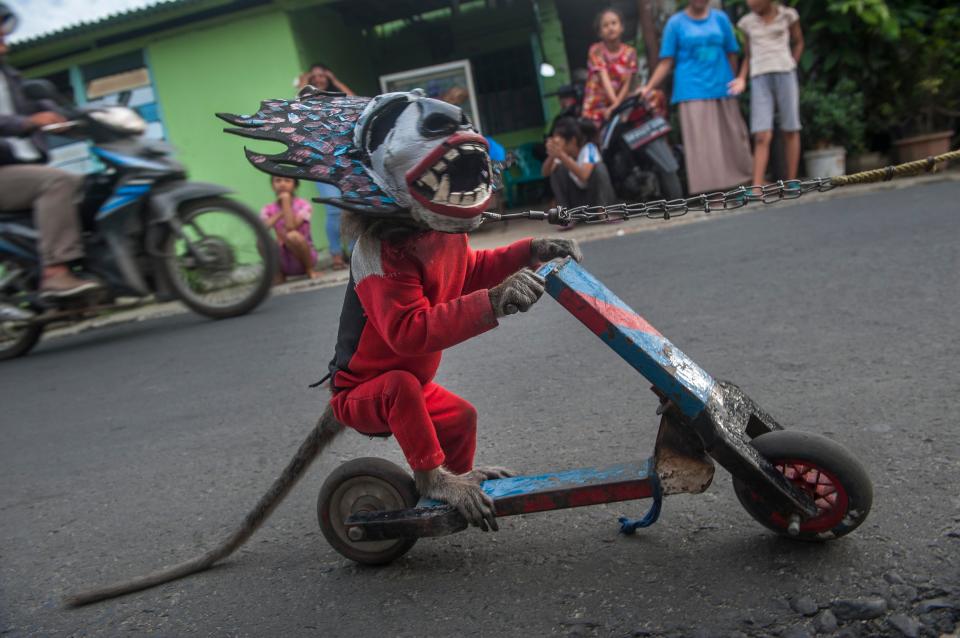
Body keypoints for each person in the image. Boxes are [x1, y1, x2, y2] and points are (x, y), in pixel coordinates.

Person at [0, 2, 102, 298]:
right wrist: (29, 122)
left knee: (86, 186)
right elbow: (27, 117)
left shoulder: (10, 78)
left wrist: (75, 117)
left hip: (20, 167)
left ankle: (84, 264)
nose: (5, 40)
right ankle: (55, 272)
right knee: (57, 182)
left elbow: (40, 103)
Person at [638, 0, 753, 194]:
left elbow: (732, 52)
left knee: (733, 137)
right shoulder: (676, 23)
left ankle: (742, 186)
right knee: (703, 144)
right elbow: (666, 61)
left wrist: (734, 81)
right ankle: (714, 194)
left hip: (722, 87)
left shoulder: (720, 18)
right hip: (691, 90)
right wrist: (648, 87)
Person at [729, 0, 804, 184]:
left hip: (785, 72)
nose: (750, 3)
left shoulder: (788, 15)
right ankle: (757, 186)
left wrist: (792, 63)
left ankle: (791, 181)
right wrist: (741, 77)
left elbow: (799, 42)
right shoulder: (747, 23)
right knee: (762, 133)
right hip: (759, 76)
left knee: (790, 128)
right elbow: (749, 54)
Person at [297, 63, 353, 269]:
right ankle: (336, 254)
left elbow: (356, 101)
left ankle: (357, 252)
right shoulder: (309, 102)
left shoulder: (337, 100)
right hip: (321, 161)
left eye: (323, 75)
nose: (319, 78)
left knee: (353, 207)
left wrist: (336, 80)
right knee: (333, 208)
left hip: (345, 160)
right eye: (315, 76)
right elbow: (294, 107)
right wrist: (303, 83)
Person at [542, 117, 616, 229]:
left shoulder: (589, 149)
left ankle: (603, 211)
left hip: (594, 201)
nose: (557, 144)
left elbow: (584, 176)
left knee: (600, 168)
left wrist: (562, 156)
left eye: (559, 141)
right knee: (557, 170)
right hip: (577, 203)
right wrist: (552, 155)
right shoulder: (561, 156)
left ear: (572, 141)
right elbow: (545, 173)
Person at [582, 8, 639, 126]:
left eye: (614, 23)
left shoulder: (630, 52)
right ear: (600, 33)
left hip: (619, 101)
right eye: (605, 25)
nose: (610, 27)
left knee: (653, 96)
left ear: (622, 27)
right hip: (598, 103)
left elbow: (627, 84)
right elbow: (604, 79)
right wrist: (616, 107)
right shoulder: (595, 50)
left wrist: (616, 106)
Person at [260, 175, 320, 282]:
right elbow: (262, 229)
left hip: (303, 256)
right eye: (278, 180)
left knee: (293, 235)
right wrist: (281, 212)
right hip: (282, 260)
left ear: (295, 185)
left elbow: (290, 227)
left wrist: (286, 201)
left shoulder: (304, 205)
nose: (282, 184)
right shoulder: (268, 209)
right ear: (273, 185)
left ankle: (310, 270)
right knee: (261, 241)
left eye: (287, 181)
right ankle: (278, 274)